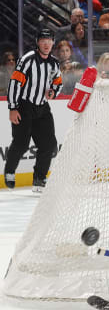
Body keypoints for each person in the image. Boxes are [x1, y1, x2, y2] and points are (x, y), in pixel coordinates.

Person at [4, 29, 62, 192]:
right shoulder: (27, 60)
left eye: (49, 40)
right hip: (24, 105)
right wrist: (13, 107)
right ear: (37, 42)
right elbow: (15, 83)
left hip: (42, 107)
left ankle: (39, 178)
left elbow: (57, 82)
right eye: (43, 40)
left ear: (53, 43)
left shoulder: (54, 63)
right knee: (21, 143)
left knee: (49, 144)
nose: (46, 43)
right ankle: (9, 171)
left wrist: (53, 92)